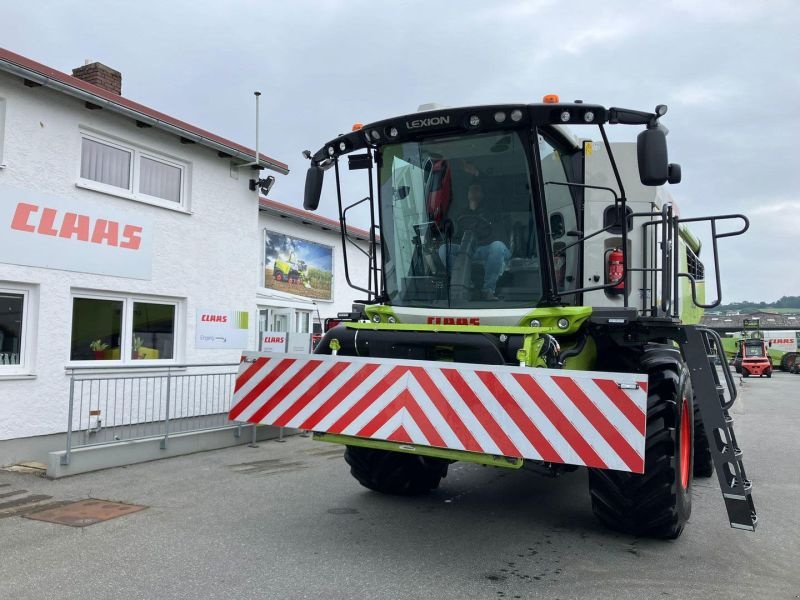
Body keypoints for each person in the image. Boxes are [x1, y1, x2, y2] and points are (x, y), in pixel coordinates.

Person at [438, 181, 511, 300]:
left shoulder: (492, 211)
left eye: (477, 189)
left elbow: (498, 233)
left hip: (489, 248)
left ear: (482, 194)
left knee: (497, 246)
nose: (473, 192)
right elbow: (456, 236)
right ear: (467, 194)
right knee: (443, 249)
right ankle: (466, 285)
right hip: (470, 249)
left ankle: (488, 290)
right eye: (471, 189)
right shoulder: (461, 214)